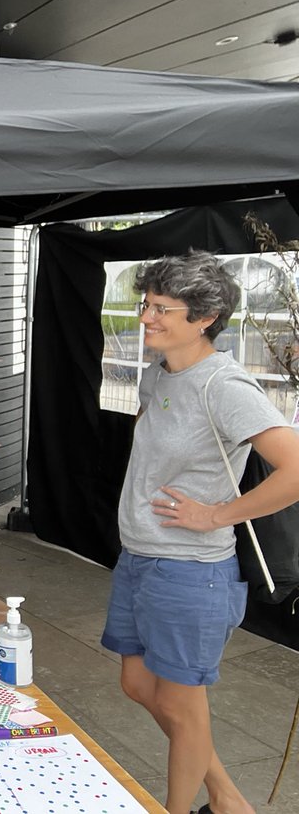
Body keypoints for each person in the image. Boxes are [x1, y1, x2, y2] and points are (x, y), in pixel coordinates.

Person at [100, 251, 299, 814]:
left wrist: (215, 515)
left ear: (205, 316)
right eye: (146, 304)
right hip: (141, 557)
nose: (146, 318)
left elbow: (295, 469)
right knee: (138, 686)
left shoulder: (224, 386)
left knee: (185, 710)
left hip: (191, 571)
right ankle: (229, 797)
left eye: (162, 309)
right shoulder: (157, 375)